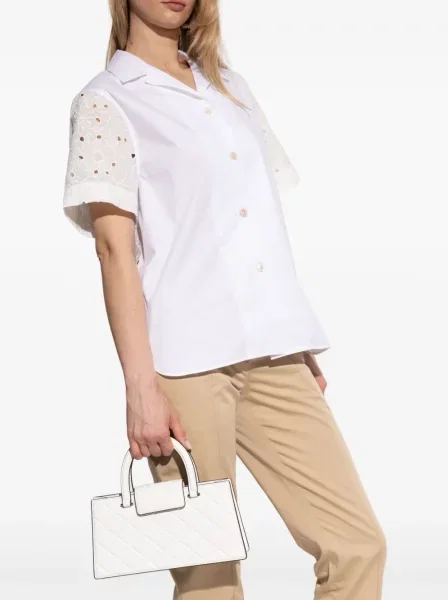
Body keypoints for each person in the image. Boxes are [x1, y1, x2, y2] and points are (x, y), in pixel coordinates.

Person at [62, 1, 386, 598]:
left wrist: (294, 336)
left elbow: (258, 220)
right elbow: (114, 252)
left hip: (272, 349)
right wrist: (141, 389)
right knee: (208, 574)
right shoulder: (106, 101)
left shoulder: (231, 88)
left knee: (357, 545)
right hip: (184, 365)